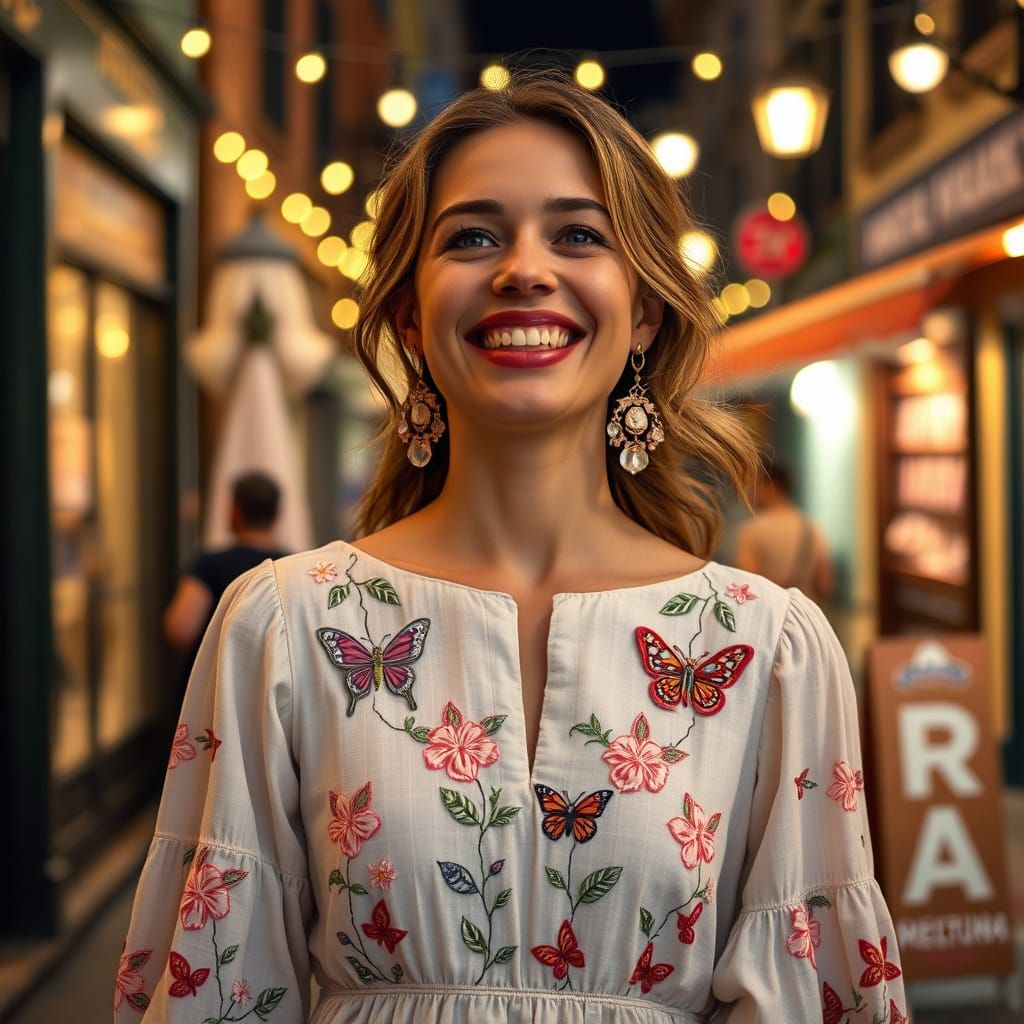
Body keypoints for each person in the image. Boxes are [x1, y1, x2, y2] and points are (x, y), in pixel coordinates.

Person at [115, 72, 905, 1023]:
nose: (524, 269)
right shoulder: (285, 626)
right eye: (472, 237)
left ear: (645, 311)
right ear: (409, 315)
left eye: (579, 235)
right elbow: (218, 991)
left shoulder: (769, 648)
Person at [162, 471, 289, 665]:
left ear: (235, 511)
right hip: (272, 675)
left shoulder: (210, 565)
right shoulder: (291, 565)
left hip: (218, 675)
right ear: (278, 513)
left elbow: (182, 628)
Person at [734, 458, 835, 602]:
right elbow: (824, 584)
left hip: (768, 611)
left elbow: (747, 584)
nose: (749, 492)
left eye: (754, 485)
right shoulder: (811, 527)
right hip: (803, 611)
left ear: (771, 486)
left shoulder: (752, 530)